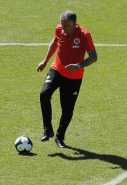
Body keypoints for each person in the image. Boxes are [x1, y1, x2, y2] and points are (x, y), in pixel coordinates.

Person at [37, 10, 97, 147]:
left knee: (67, 109)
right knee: (44, 94)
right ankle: (47, 130)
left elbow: (94, 57)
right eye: (62, 25)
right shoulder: (59, 29)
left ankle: (60, 137)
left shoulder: (84, 35)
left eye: (67, 26)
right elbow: (54, 43)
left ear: (75, 24)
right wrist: (45, 61)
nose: (63, 29)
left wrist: (79, 65)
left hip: (74, 77)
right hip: (57, 70)